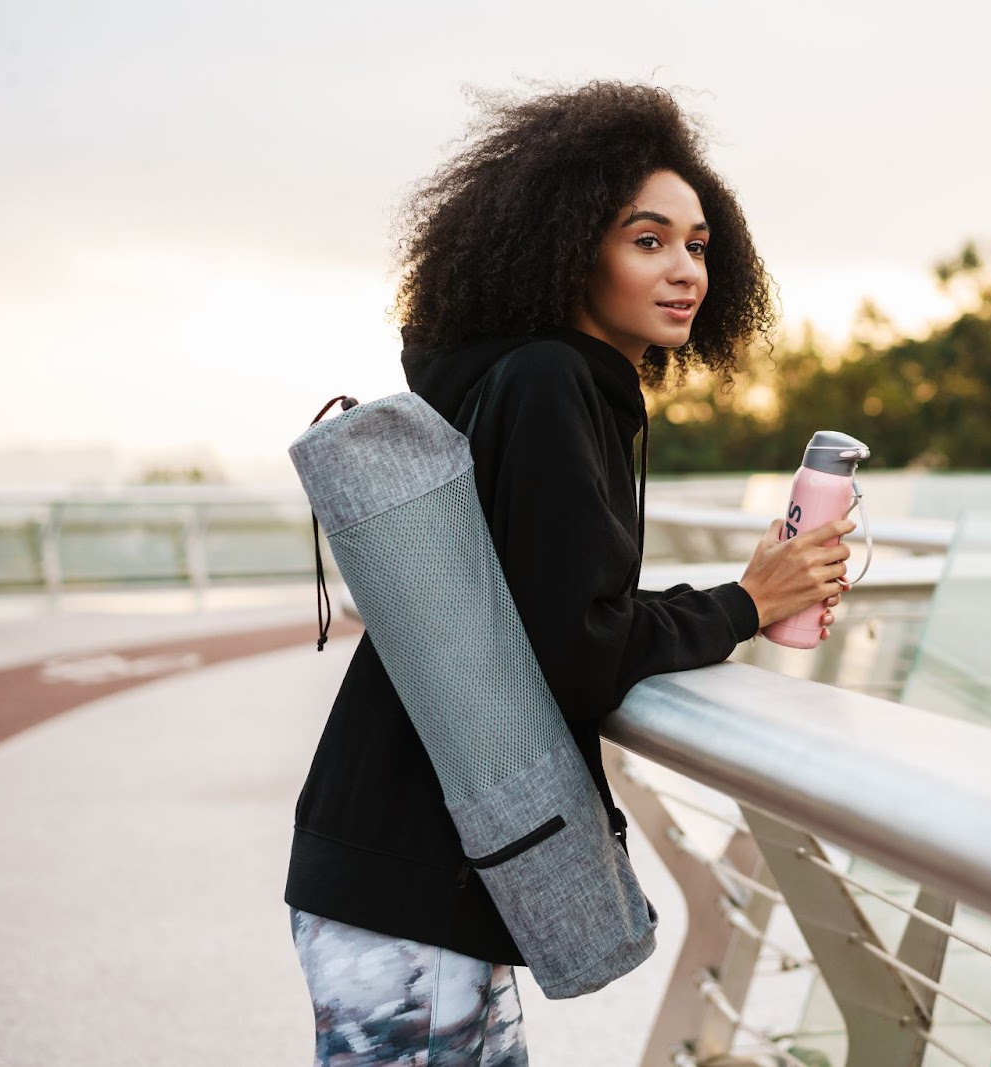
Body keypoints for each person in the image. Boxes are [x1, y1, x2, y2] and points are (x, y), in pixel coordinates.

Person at [284, 81, 855, 1066]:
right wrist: (745, 603)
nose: (685, 270)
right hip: (414, 871)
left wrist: (732, 597)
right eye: (648, 240)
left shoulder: (519, 376)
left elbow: (555, 607)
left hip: (400, 849)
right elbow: (576, 648)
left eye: (698, 244)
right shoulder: (551, 382)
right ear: (565, 245)